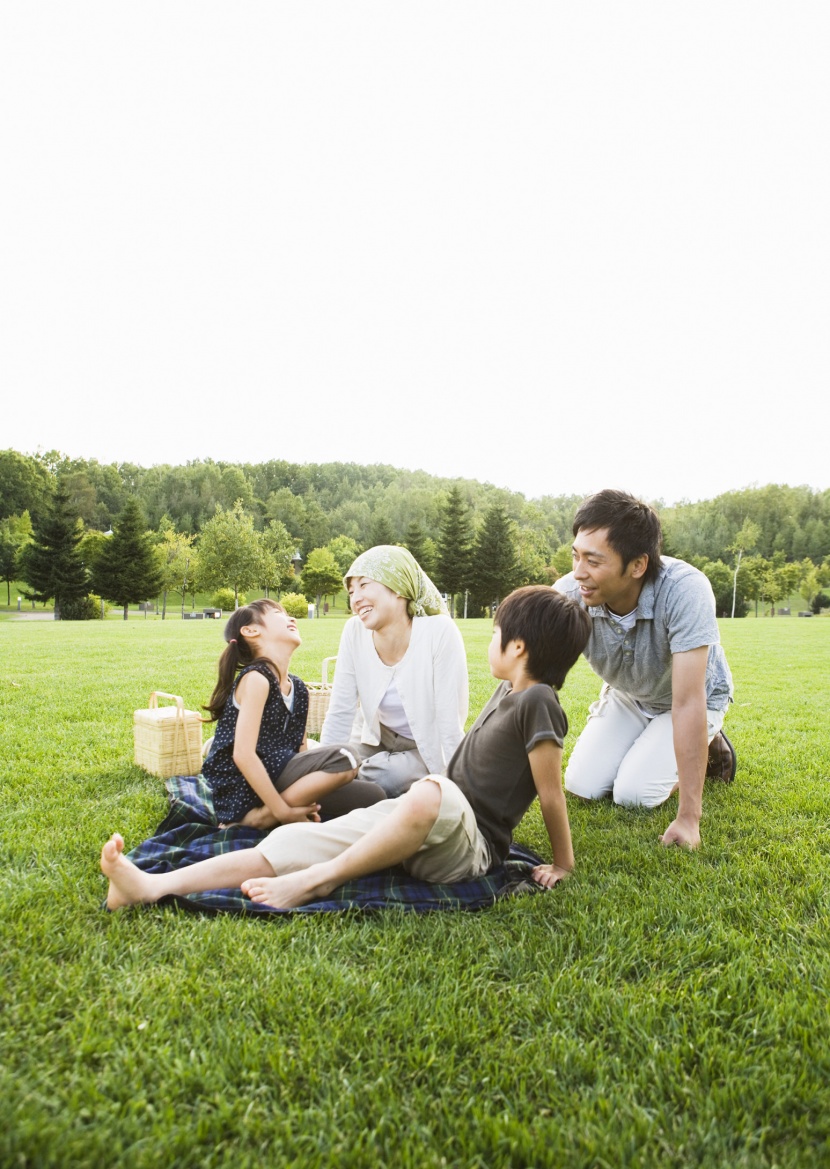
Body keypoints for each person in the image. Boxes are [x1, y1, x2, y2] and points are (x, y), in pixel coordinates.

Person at [100, 586, 591, 912]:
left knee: (426, 791)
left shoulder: (540, 702)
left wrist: (563, 863)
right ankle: (150, 885)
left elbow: (551, 794)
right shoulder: (508, 692)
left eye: (496, 633)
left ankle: (318, 881)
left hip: (468, 846)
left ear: (519, 647)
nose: (491, 642)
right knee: (291, 844)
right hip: (430, 822)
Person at [553, 489, 735, 850]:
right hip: (629, 695)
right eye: (576, 556)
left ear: (637, 565)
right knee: (582, 784)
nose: (578, 573)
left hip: (688, 699)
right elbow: (534, 678)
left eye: (593, 561)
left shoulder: (685, 590)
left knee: (634, 793)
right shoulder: (569, 595)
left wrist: (688, 818)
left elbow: (687, 702)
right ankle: (649, 742)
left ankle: (712, 744)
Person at [201, 598, 384, 829]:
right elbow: (243, 755)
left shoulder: (298, 687)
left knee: (374, 796)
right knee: (345, 757)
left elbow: (301, 751)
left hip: (281, 775)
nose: (292, 619)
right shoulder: (256, 678)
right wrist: (282, 811)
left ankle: (288, 810)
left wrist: (314, 795)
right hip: (242, 788)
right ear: (250, 630)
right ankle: (261, 818)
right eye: (279, 614)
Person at [318, 545, 468, 796]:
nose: (355, 599)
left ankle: (353, 781)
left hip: (423, 745)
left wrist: (459, 785)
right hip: (375, 738)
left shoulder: (439, 632)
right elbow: (340, 710)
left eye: (364, 585)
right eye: (351, 591)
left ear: (398, 586)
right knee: (329, 765)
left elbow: (449, 722)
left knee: (386, 777)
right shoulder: (353, 631)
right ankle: (348, 780)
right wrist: (320, 768)